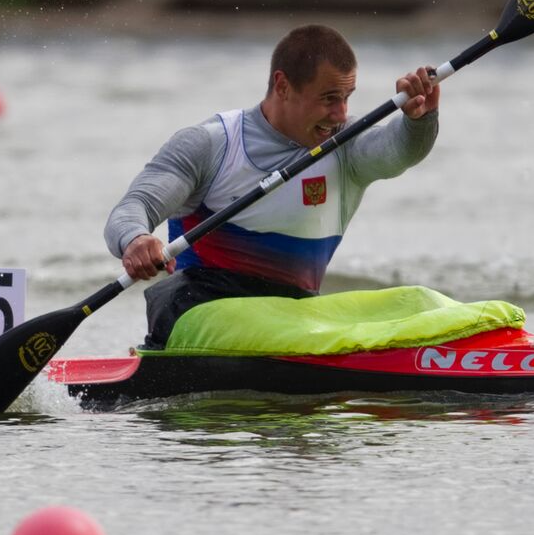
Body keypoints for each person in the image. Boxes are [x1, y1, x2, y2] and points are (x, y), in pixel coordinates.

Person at [104, 24, 440, 348]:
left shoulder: (346, 146)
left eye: (347, 98)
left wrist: (419, 120)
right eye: (329, 98)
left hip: (294, 321)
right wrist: (136, 239)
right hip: (200, 315)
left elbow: (397, 152)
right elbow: (135, 207)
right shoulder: (211, 144)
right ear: (282, 86)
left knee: (419, 301)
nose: (341, 115)